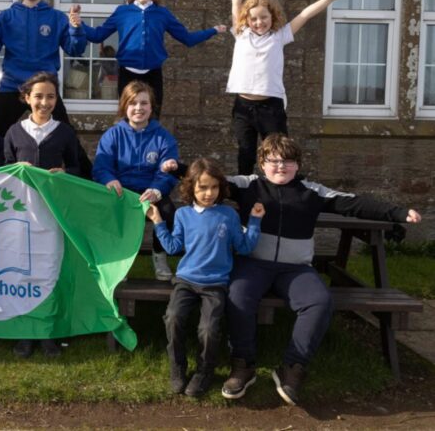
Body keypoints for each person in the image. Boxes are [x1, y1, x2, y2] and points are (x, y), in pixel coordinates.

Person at [221, 133, 422, 406]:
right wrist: (173, 169)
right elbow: (205, 178)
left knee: (319, 301)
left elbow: (354, 203)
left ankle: (292, 368)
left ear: (298, 165)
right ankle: (243, 365)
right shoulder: (247, 185)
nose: (281, 166)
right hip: (253, 264)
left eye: (288, 161)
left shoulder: (312, 192)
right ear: (262, 163)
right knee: (237, 295)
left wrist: (397, 212)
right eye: (273, 160)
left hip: (295, 269)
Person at [147, 158, 264, 397]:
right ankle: (177, 368)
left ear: (220, 188)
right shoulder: (182, 215)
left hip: (215, 284)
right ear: (191, 188)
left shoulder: (228, 215)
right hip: (185, 281)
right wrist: (158, 221)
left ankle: (204, 371)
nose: (208, 193)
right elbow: (172, 247)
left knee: (209, 329)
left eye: (213, 187)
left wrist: (254, 221)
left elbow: (243, 247)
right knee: (173, 318)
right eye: (202, 188)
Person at [227, 0, 346, 174]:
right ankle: (246, 200)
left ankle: (281, 196)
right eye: (254, 18)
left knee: (279, 154)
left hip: (270, 106)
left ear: (272, 17)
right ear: (247, 19)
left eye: (264, 17)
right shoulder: (241, 33)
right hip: (243, 106)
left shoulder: (280, 35)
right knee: (245, 154)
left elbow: (305, 14)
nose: (259, 22)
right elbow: (236, 3)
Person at [0, 0, 92, 178]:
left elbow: (75, 48)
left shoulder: (56, 18)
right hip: (12, 86)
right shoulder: (7, 17)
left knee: (68, 136)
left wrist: (76, 29)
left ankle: (89, 183)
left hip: (46, 89)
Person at [78, 0, 226, 117]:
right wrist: (78, 24)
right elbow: (97, 35)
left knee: (152, 120)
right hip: (127, 76)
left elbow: (187, 39)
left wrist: (213, 30)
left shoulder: (163, 13)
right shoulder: (122, 12)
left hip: (153, 76)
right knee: (128, 121)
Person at [3, 72, 79, 358]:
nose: (44, 102)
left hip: (51, 215)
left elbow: (78, 168)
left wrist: (64, 173)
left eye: (50, 96)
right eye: (38, 96)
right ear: (27, 98)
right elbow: (5, 169)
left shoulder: (64, 132)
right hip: (20, 215)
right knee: (21, 272)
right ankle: (25, 333)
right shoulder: (14, 131)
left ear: (56, 99)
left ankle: (48, 332)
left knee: (48, 273)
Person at [92, 81, 180, 281]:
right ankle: (120, 259)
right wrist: (109, 180)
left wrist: (157, 190)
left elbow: (168, 171)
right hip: (122, 190)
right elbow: (101, 166)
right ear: (124, 107)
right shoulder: (112, 135)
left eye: (144, 103)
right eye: (133, 103)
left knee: (167, 211)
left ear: (151, 107)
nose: (138, 108)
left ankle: (159, 255)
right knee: (112, 213)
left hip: (151, 191)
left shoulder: (163, 137)